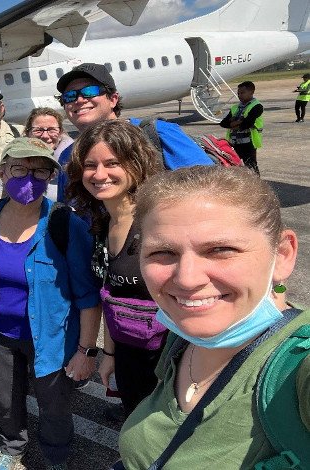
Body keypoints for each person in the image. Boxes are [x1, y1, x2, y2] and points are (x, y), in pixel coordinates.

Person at [117, 165, 308, 469]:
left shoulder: (298, 368)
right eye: (163, 252)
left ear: (282, 254)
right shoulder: (182, 337)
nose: (187, 279)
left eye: (221, 249)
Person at [0, 137, 101, 470]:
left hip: (50, 339)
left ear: (50, 178)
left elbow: (88, 297)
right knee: (5, 399)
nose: (29, 179)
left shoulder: (66, 225)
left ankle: (56, 455)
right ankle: (13, 446)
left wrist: (86, 351)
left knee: (55, 404)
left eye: (40, 171)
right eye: (19, 168)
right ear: (2, 171)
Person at [66, 120, 167, 420]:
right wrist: (109, 354)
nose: (99, 175)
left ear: (136, 164)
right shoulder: (102, 224)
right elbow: (113, 296)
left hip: (167, 359)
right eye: (89, 165)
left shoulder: (157, 221)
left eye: (112, 163)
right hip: (128, 353)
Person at [55, 62, 211, 199]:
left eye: (90, 91)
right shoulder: (68, 156)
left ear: (113, 99)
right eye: (70, 96)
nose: (79, 100)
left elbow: (210, 185)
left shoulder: (156, 133)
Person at [23, 107, 74, 202]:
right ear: (28, 133)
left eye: (52, 130)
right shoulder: (15, 161)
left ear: (61, 132)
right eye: (38, 130)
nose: (45, 136)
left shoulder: (74, 162)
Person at [219, 80, 264, 175]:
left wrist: (233, 122)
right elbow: (223, 123)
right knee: (232, 166)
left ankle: (256, 187)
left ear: (251, 92)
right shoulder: (235, 107)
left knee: (251, 167)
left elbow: (246, 124)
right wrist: (238, 122)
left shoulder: (257, 106)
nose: (239, 95)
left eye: (242, 93)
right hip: (234, 143)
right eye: (238, 93)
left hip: (248, 143)